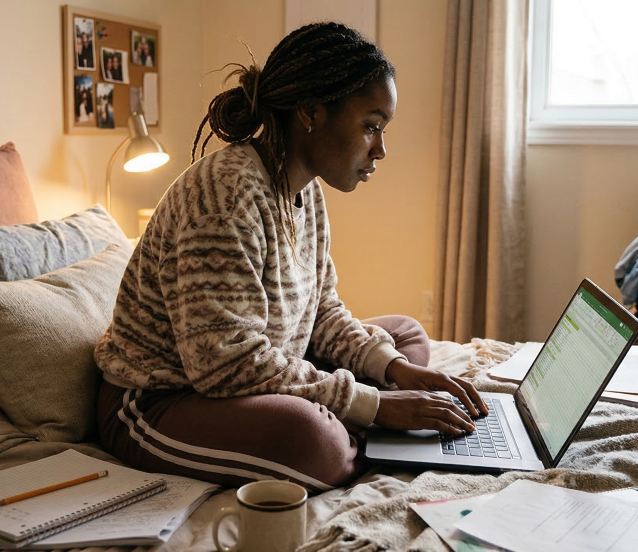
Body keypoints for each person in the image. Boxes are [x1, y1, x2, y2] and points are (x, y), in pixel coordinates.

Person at [94, 22, 484, 493]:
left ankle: (366, 418)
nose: (380, 149)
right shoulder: (224, 196)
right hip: (166, 396)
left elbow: (322, 309)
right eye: (370, 126)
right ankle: (360, 429)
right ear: (311, 113)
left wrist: (392, 369)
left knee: (404, 336)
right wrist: (375, 406)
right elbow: (226, 366)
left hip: (259, 365)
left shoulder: (306, 191)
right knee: (316, 443)